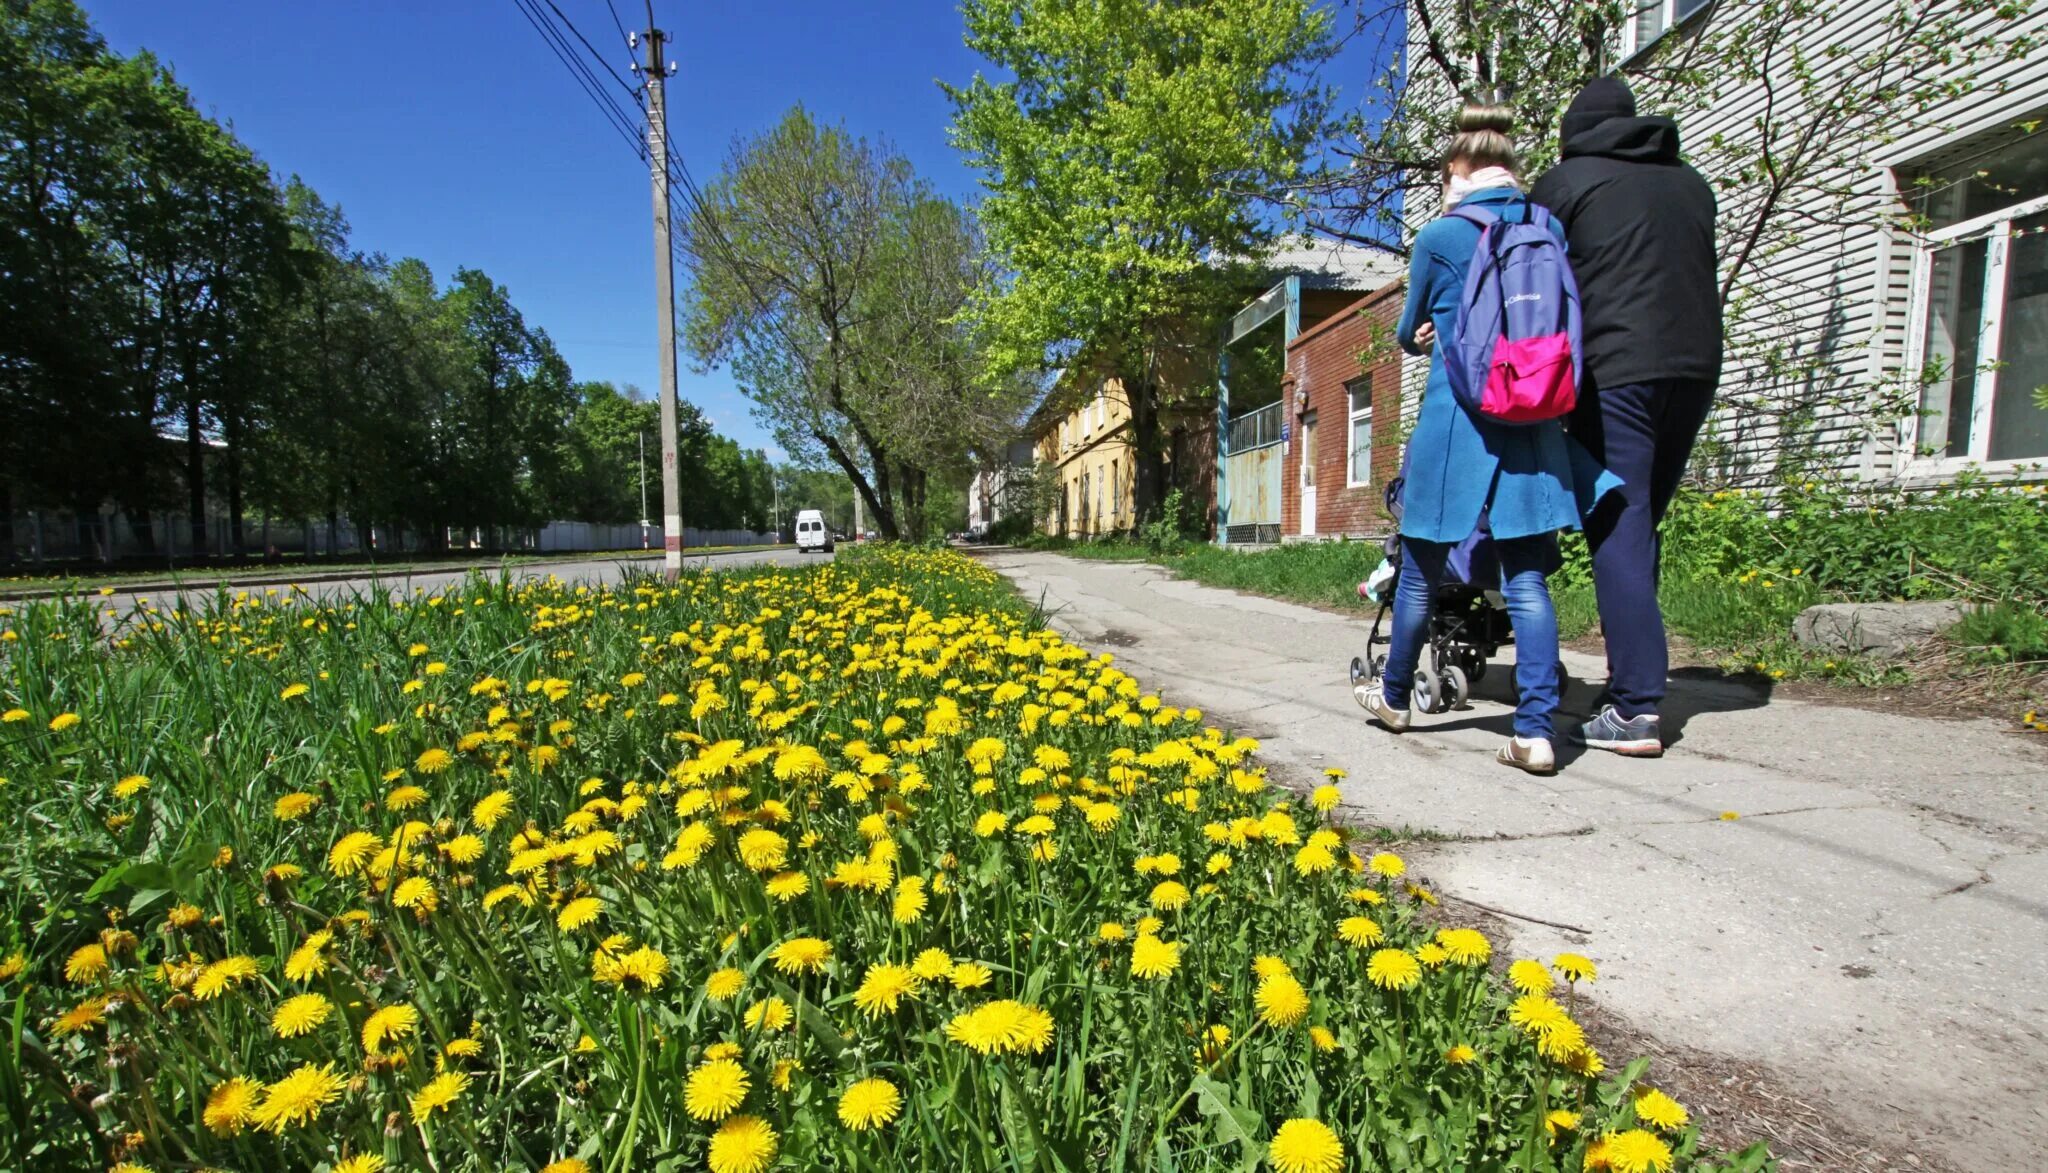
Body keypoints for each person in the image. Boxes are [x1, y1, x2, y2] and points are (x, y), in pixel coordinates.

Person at [1356, 103, 1612, 776]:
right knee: (1526, 581)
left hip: (1456, 425)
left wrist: (1425, 334)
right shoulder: (1544, 226)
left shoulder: (1441, 237)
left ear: (1454, 171)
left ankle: (1392, 697)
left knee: (1418, 577)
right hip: (1530, 421)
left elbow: (1407, 329)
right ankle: (1534, 731)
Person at [1530, 78, 1720, 758]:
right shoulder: (1692, 184)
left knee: (1617, 520)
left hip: (1616, 371)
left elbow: (1530, 280)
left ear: (1572, 131)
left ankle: (1636, 706)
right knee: (1638, 521)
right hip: (1694, 370)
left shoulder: (1566, 183)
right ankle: (1631, 681)